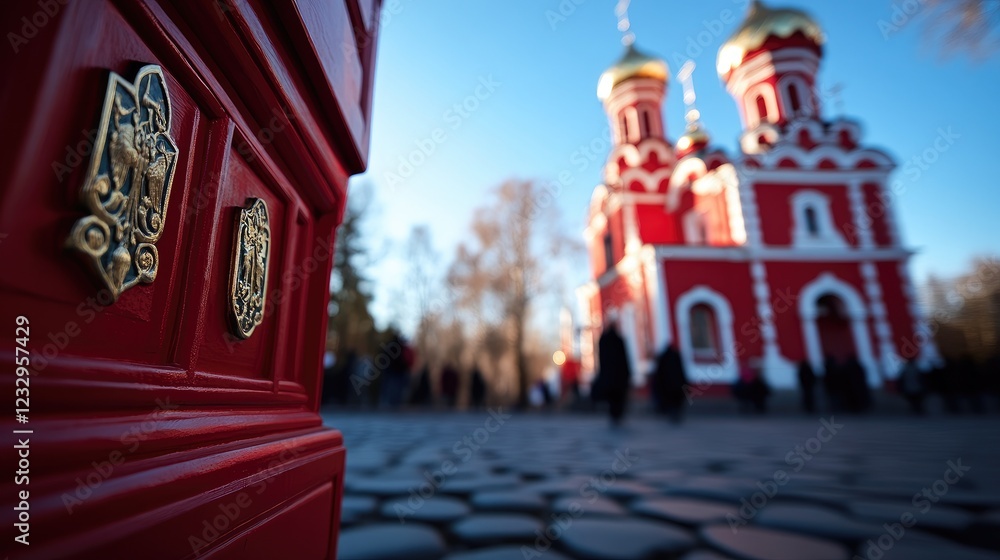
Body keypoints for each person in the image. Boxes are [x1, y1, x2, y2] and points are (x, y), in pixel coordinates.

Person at [598, 319, 632, 426]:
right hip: (619, 376)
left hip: (608, 376)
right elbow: (625, 359)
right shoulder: (619, 340)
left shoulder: (603, 340)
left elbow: (601, 359)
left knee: (612, 398)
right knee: (618, 397)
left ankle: (614, 415)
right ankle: (617, 414)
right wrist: (627, 373)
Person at [652, 344, 688, 423]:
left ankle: (672, 413)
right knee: (675, 402)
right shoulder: (675, 357)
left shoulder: (664, 357)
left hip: (668, 385)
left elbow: (659, 373)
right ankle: (674, 414)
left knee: (671, 401)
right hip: (676, 384)